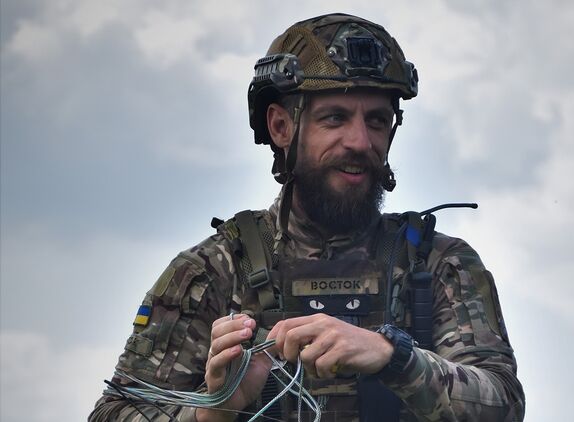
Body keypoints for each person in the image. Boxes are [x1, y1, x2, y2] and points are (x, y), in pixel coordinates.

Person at [90, 13, 525, 422]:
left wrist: (395, 357)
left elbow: (503, 404)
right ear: (281, 127)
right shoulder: (212, 273)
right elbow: (115, 412)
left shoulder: (437, 265)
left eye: (377, 120)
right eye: (335, 118)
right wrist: (212, 412)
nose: (360, 141)